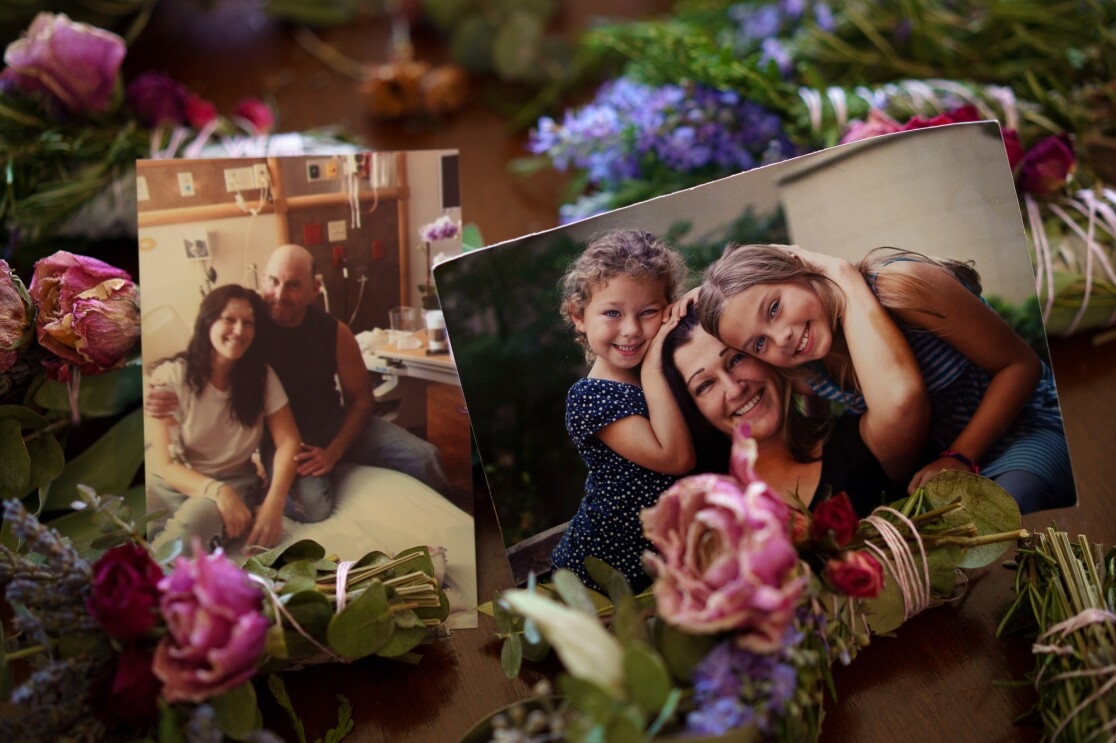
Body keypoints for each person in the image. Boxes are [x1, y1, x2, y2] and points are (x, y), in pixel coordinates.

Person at [698, 243, 1075, 513]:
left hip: (1026, 426)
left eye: (775, 307)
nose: (782, 337)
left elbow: (1020, 366)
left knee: (1011, 501)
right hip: (944, 469)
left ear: (799, 266)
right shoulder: (803, 371)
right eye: (759, 342)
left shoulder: (901, 287)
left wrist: (960, 456)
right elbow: (824, 435)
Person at [149, 243, 455, 521]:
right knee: (311, 507)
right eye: (273, 281)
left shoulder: (335, 332)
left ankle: (455, 516)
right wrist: (159, 390)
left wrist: (334, 451)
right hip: (283, 438)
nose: (280, 294)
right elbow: (205, 350)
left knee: (426, 457)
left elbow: (362, 401)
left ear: (314, 289)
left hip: (334, 423)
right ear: (263, 280)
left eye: (294, 285)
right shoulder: (248, 327)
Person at [549, 230, 696, 592]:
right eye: (612, 312)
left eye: (648, 312)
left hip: (662, 567)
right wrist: (652, 368)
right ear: (578, 315)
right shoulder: (592, 397)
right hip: (598, 573)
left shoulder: (671, 370)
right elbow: (675, 457)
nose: (630, 330)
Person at [662, 311, 911, 514]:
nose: (734, 389)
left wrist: (842, 272)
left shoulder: (861, 437)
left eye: (736, 359)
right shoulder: (707, 510)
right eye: (705, 385)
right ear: (693, 410)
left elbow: (904, 401)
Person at [146, 284, 300, 554]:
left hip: (234, 479)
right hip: (170, 480)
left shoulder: (262, 379)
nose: (239, 330)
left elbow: (289, 441)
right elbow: (169, 465)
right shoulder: (171, 377)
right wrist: (218, 492)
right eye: (229, 319)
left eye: (248, 323)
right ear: (208, 322)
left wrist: (274, 503)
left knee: (177, 543)